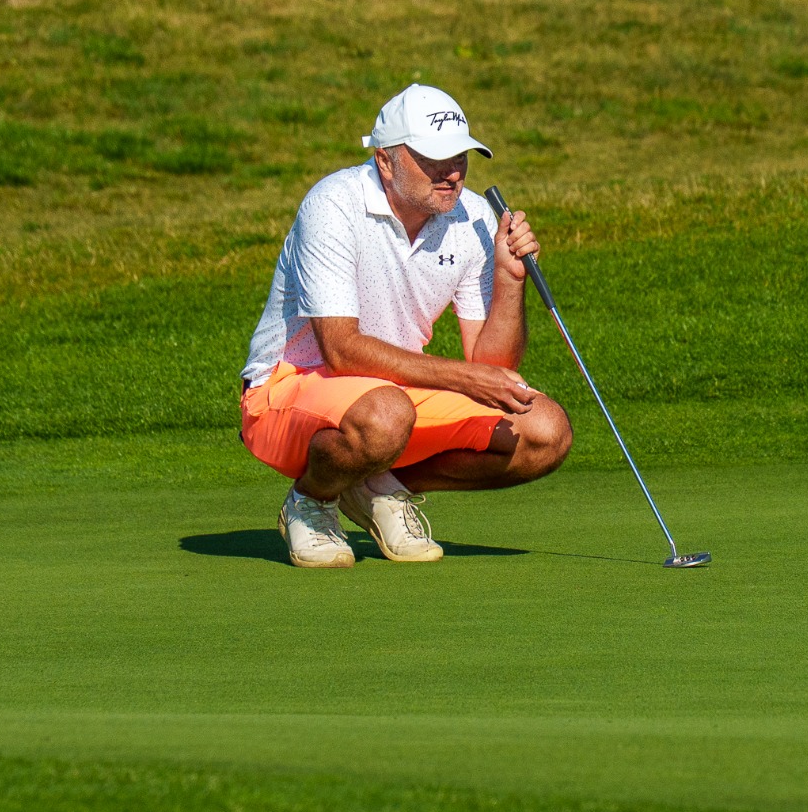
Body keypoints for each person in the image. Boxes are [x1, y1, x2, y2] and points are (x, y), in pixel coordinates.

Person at [238, 84, 573, 568]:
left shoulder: (473, 217)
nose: (451, 172)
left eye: (459, 156)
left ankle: (378, 487)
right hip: (286, 390)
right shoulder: (333, 204)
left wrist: (509, 279)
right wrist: (464, 378)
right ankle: (311, 500)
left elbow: (491, 365)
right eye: (432, 159)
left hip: (393, 392)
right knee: (385, 414)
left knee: (545, 430)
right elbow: (341, 350)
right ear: (386, 161)